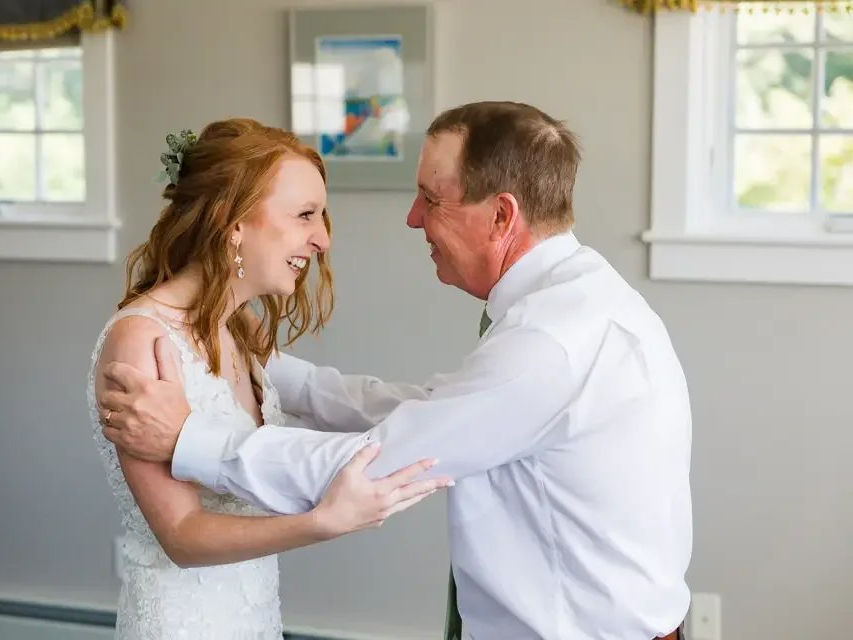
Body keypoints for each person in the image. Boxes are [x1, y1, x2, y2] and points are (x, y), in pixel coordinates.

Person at [97, 102, 692, 640]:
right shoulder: (577, 301)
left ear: (501, 216)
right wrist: (271, 371)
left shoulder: (551, 343)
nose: (412, 218)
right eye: (304, 214)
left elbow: (380, 459)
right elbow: (437, 410)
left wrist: (188, 439)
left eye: (431, 199)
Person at [87, 119, 451, 640]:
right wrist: (323, 521)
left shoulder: (240, 326)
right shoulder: (141, 342)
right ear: (233, 221)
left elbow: (325, 393)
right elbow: (182, 535)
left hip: (253, 616)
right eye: (305, 215)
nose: (322, 239)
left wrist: (444, 409)